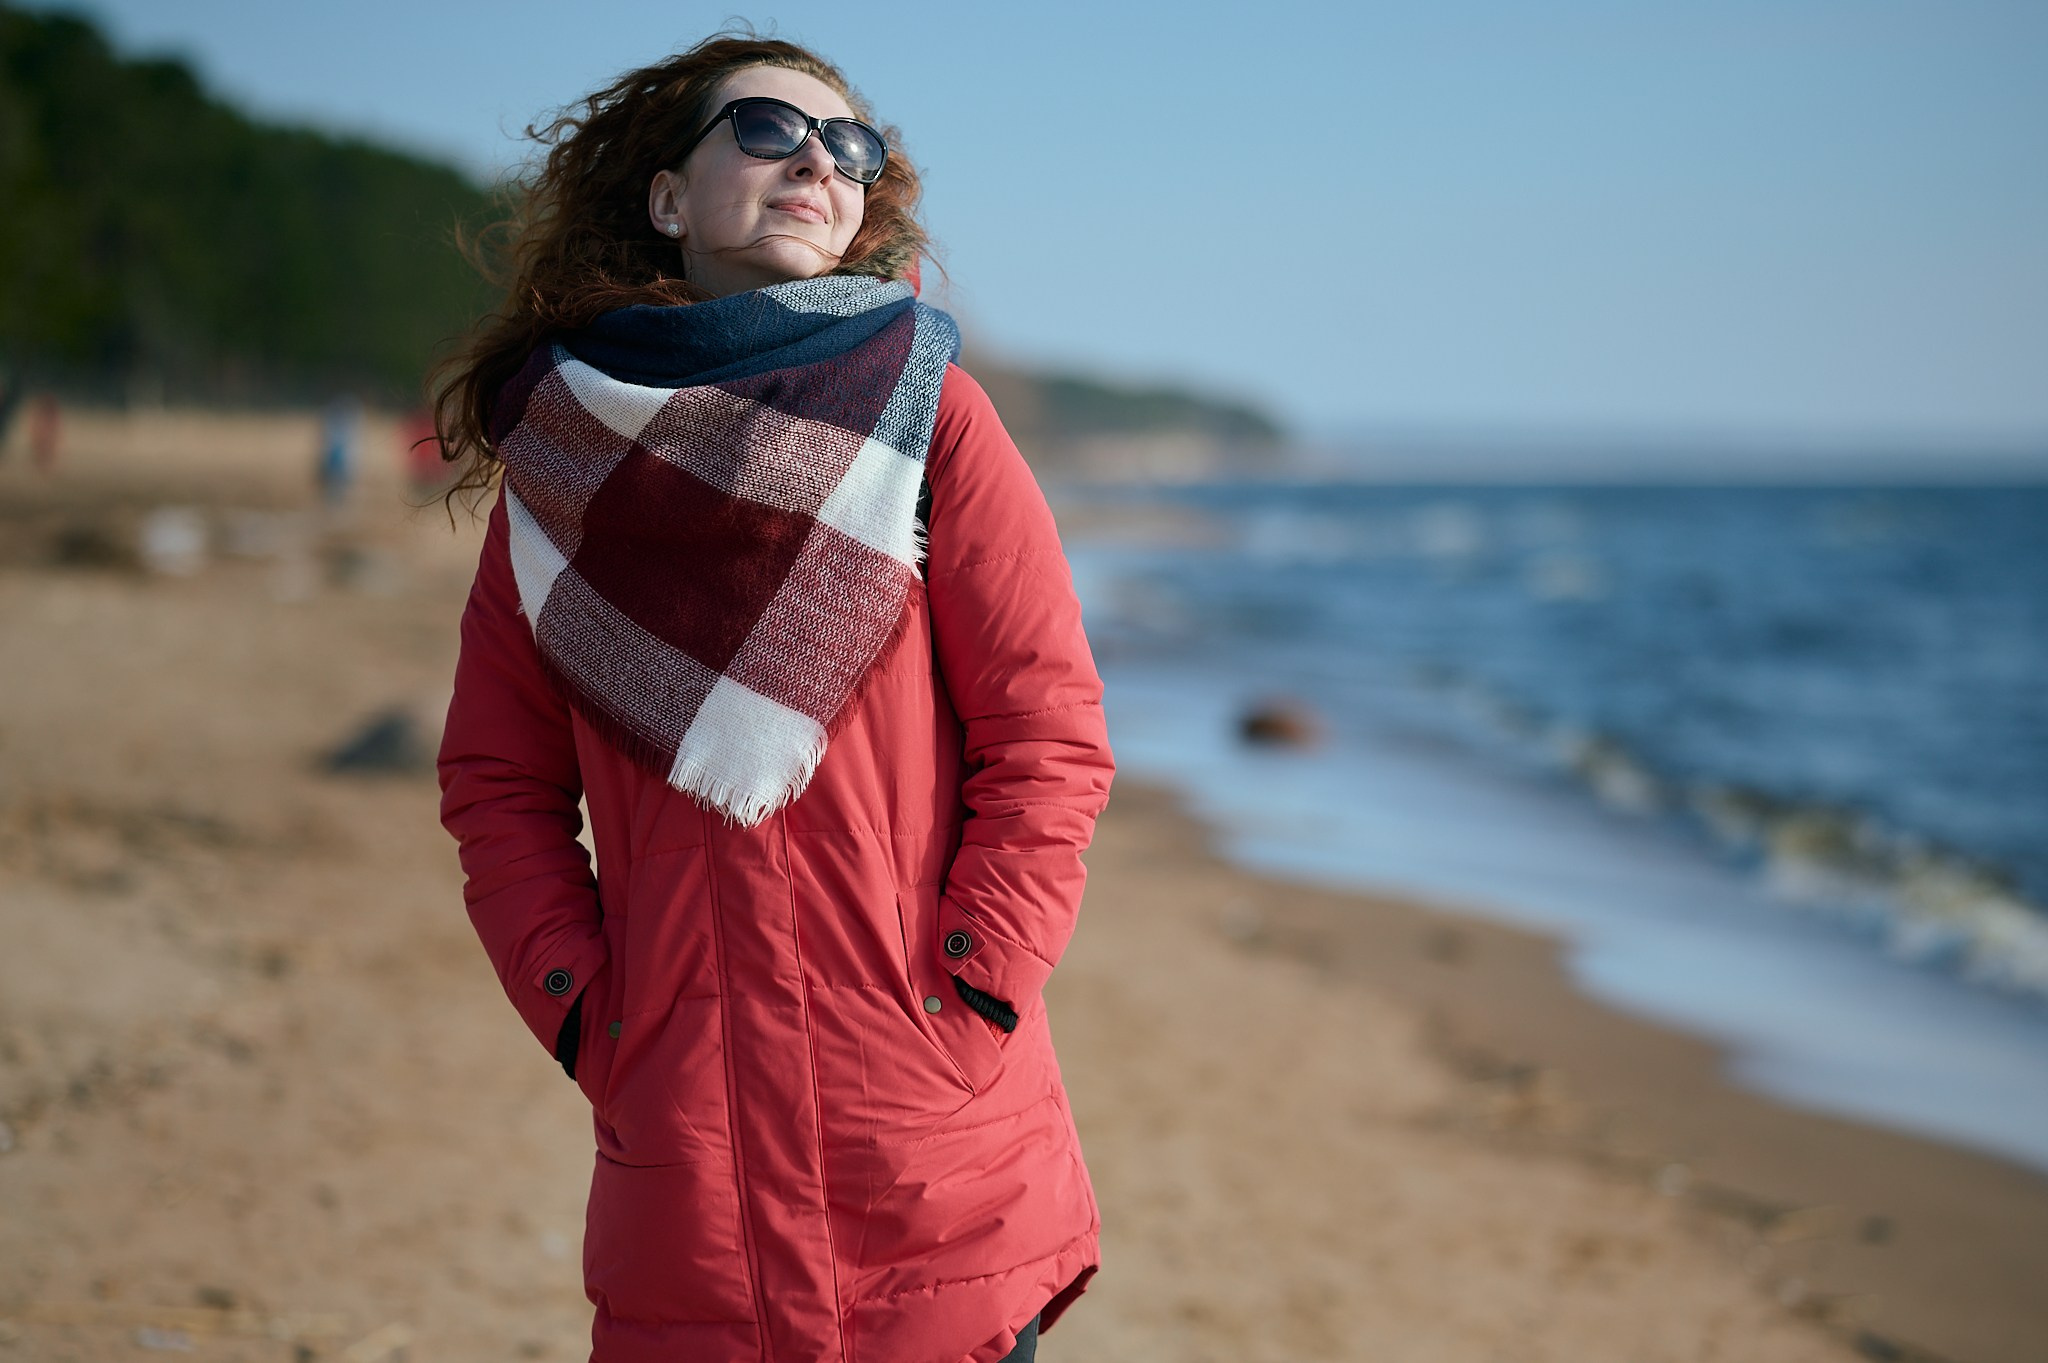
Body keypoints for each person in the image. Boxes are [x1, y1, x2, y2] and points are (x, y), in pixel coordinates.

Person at [431, 34, 1113, 1363]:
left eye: (847, 146)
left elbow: (1050, 733)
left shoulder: (936, 420)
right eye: (762, 130)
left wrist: (973, 990)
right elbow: (498, 785)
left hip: (935, 1128)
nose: (814, 159)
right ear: (669, 198)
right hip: (687, 1147)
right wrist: (586, 1008)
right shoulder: (561, 467)